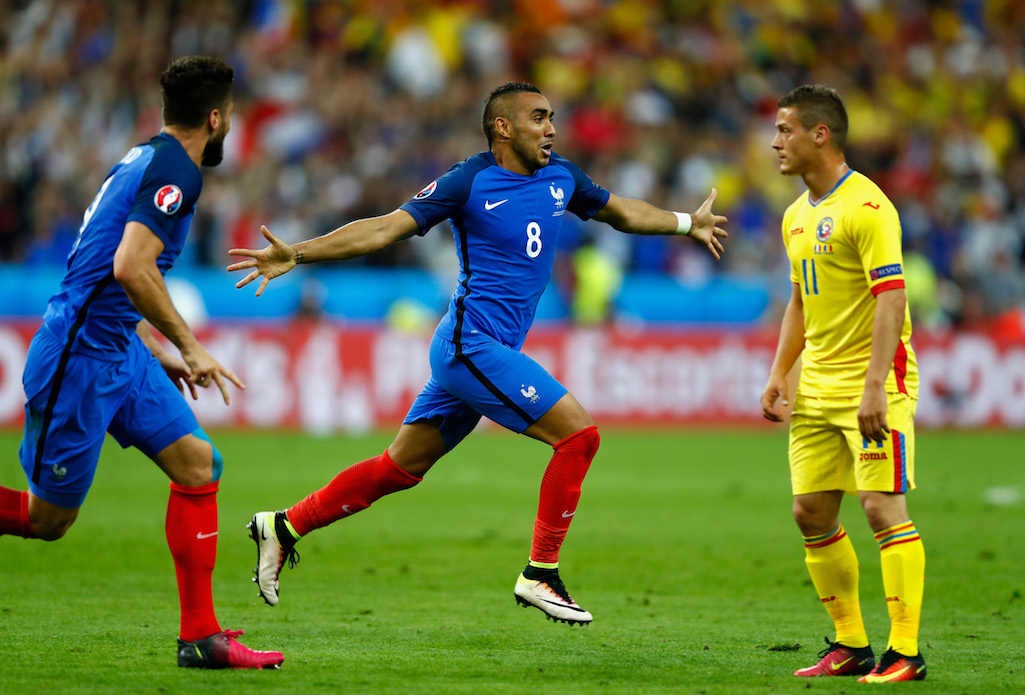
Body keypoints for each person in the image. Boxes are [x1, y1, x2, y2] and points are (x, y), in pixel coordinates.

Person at [228, 81, 728, 625]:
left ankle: (282, 526)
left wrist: (685, 223)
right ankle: (541, 573)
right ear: (503, 127)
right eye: (539, 117)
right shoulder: (468, 180)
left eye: (553, 117)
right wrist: (298, 253)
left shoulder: (562, 176)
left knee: (399, 468)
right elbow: (387, 228)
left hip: (483, 351)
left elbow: (622, 213)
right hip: (470, 346)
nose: (552, 128)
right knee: (579, 436)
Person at [0, 56, 283, 670]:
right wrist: (187, 344)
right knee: (48, 520)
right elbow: (130, 265)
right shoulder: (178, 169)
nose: (230, 125)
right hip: (78, 359)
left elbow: (108, 269)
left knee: (198, 464)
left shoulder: (143, 157)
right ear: (216, 117)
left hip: (119, 349)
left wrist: (153, 348)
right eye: (230, 116)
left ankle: (201, 639)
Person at [760, 84, 926, 683]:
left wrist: (876, 384)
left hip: (872, 385)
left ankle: (905, 653)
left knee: (882, 508)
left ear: (819, 134)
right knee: (810, 512)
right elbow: (800, 303)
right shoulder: (795, 216)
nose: (775, 141)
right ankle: (851, 644)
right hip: (818, 389)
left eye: (785, 130)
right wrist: (780, 374)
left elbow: (892, 298)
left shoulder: (869, 207)